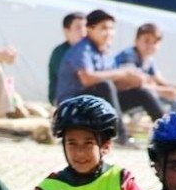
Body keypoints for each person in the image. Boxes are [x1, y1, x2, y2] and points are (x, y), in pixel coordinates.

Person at [56, 9, 164, 145]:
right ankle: (121, 136)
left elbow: (114, 84)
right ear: (89, 29)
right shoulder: (82, 49)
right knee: (104, 86)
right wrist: (122, 73)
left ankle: (168, 133)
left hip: (95, 104)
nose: (109, 33)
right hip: (73, 109)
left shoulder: (105, 52)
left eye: (112, 28)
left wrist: (131, 81)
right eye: (104, 28)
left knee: (142, 92)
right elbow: (87, 78)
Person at [115, 22, 176, 112]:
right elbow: (133, 83)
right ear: (136, 41)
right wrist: (162, 91)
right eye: (147, 41)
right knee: (158, 97)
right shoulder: (129, 55)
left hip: (140, 95)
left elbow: (159, 80)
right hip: (122, 98)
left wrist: (172, 87)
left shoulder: (148, 59)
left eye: (155, 42)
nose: (150, 46)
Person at [48, 12, 86, 106]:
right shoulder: (60, 52)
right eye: (78, 28)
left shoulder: (88, 50)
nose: (83, 31)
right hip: (63, 97)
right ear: (66, 31)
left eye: (85, 27)